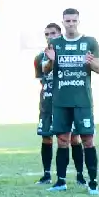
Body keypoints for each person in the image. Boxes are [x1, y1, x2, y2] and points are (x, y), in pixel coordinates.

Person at [41, 9, 99, 195]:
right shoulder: (55, 43)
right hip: (60, 101)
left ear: (78, 21)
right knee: (62, 140)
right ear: (63, 22)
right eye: (67, 21)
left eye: (73, 20)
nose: (70, 24)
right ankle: (61, 181)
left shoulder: (90, 42)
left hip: (82, 100)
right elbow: (45, 69)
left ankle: (92, 182)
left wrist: (90, 63)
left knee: (87, 140)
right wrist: (51, 61)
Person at [33, 23, 63, 185]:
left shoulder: (67, 53)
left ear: (60, 34)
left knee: (69, 139)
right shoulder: (40, 57)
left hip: (65, 103)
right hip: (46, 102)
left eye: (53, 33)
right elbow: (42, 81)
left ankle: (79, 175)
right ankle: (46, 174)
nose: (50, 36)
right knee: (46, 137)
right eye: (47, 34)